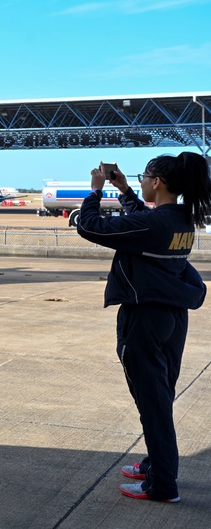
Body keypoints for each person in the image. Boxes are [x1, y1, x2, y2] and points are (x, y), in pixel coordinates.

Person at [76, 153, 211, 503]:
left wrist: (95, 191)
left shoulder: (156, 225)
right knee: (159, 395)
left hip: (145, 318)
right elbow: (146, 223)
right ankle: (156, 464)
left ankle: (163, 485)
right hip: (172, 317)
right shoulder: (182, 219)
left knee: (152, 403)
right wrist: (122, 191)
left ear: (158, 182)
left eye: (143, 176)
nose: (140, 181)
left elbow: (90, 226)